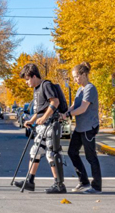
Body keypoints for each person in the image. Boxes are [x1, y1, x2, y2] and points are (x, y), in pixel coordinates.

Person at [14, 63, 67, 194]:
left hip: (51, 125)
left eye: (27, 79)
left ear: (33, 76)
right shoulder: (36, 90)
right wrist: (31, 121)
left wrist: (44, 118)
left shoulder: (46, 85)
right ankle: (30, 181)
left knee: (51, 154)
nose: (26, 83)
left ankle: (59, 184)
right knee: (34, 152)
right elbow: (39, 110)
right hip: (42, 127)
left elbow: (55, 102)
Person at [65, 62, 102, 194]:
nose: (75, 79)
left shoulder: (90, 89)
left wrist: (69, 114)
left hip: (88, 127)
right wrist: (65, 114)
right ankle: (84, 182)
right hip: (80, 127)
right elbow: (75, 105)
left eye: (76, 76)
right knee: (72, 152)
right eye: (74, 77)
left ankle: (97, 186)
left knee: (91, 156)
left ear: (84, 75)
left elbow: (82, 108)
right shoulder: (80, 89)